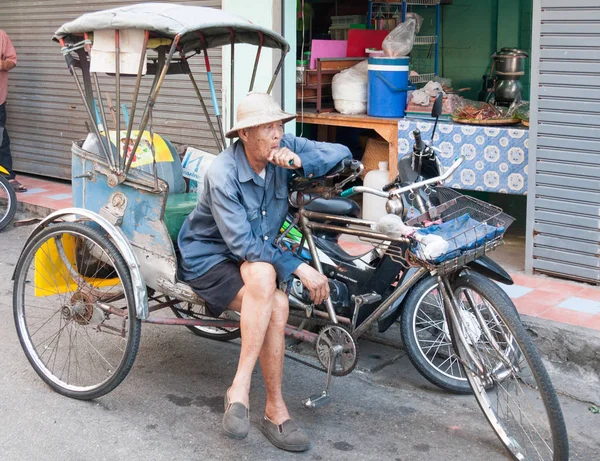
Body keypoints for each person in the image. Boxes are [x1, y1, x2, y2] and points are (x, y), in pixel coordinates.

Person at [178, 92, 351, 452]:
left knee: (274, 294)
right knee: (267, 281)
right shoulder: (223, 172)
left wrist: (299, 160)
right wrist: (300, 266)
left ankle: (253, 397)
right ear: (244, 134)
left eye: (278, 126)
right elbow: (245, 246)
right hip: (211, 258)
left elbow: (341, 153)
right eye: (267, 127)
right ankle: (266, 404)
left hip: (255, 263)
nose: (276, 134)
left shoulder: (281, 150)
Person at [0, 30, 24, 192]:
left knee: (0, 140)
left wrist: (2, 64)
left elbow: (12, 60)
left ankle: (7, 178)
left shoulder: (1, 36)